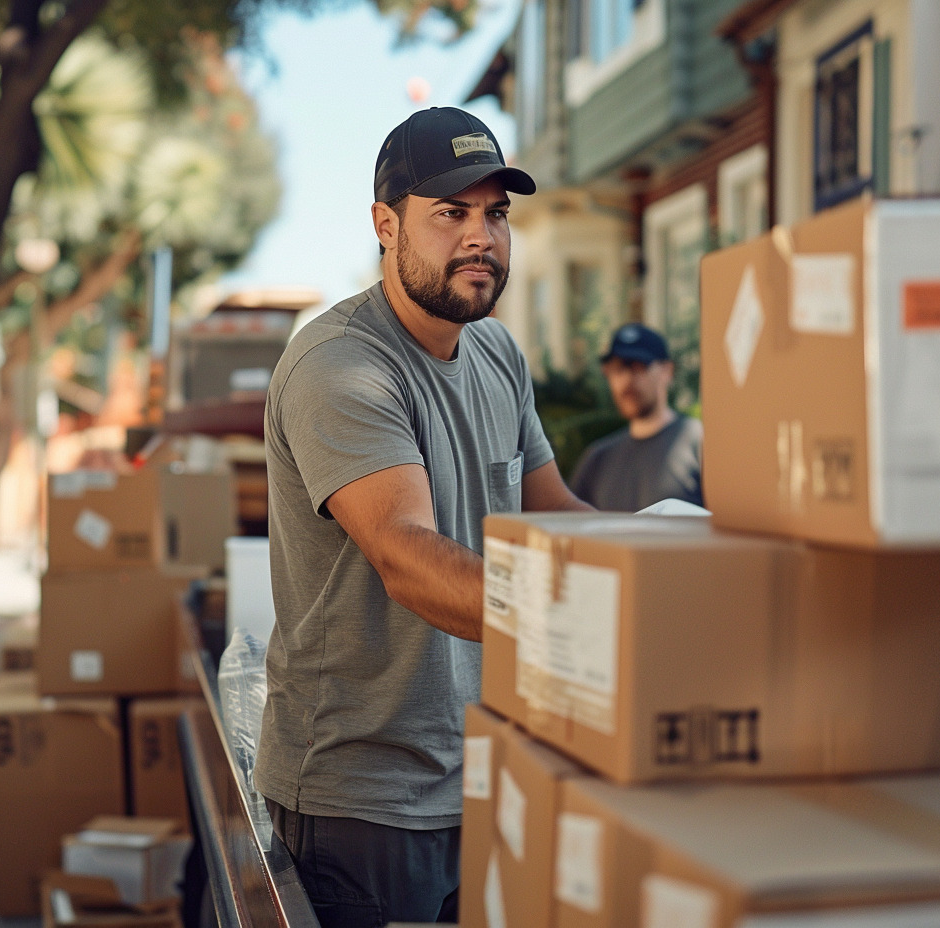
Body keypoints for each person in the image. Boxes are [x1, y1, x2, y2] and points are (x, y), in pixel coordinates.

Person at [253, 106, 592, 927]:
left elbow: (561, 517)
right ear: (385, 225)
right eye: (451, 212)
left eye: (496, 214)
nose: (481, 236)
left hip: (484, 771)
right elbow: (407, 557)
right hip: (364, 801)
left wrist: (682, 559)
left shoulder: (499, 354)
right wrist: (592, 617)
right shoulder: (340, 364)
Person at [568, 322, 704, 511]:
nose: (626, 380)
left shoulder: (700, 444)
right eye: (616, 370)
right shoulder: (596, 460)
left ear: (667, 371)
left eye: (638, 367)